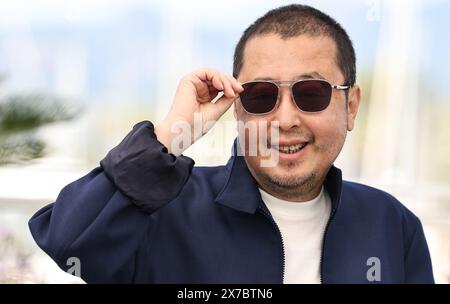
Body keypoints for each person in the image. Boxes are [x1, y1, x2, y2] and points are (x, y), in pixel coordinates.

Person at [29, 4, 434, 283]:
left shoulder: (392, 226)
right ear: (238, 108)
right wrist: (167, 136)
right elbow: (67, 242)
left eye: (312, 93)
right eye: (261, 95)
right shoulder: (161, 212)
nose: (286, 119)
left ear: (351, 106)